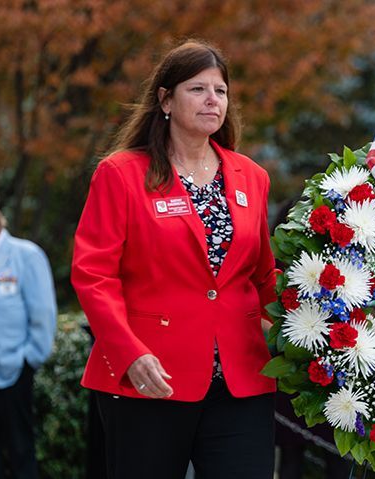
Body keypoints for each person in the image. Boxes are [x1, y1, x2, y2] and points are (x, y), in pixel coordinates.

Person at [71, 39, 277, 479]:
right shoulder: (121, 173)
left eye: (220, 91)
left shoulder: (251, 176)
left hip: (241, 380)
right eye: (197, 89)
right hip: (151, 377)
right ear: (165, 99)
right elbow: (93, 274)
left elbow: (263, 277)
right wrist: (128, 353)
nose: (212, 100)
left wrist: (318, 327)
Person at [0, 190, 57, 479]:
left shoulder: (24, 254)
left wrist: (30, 358)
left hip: (13, 367)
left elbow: (43, 312)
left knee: (20, 448)